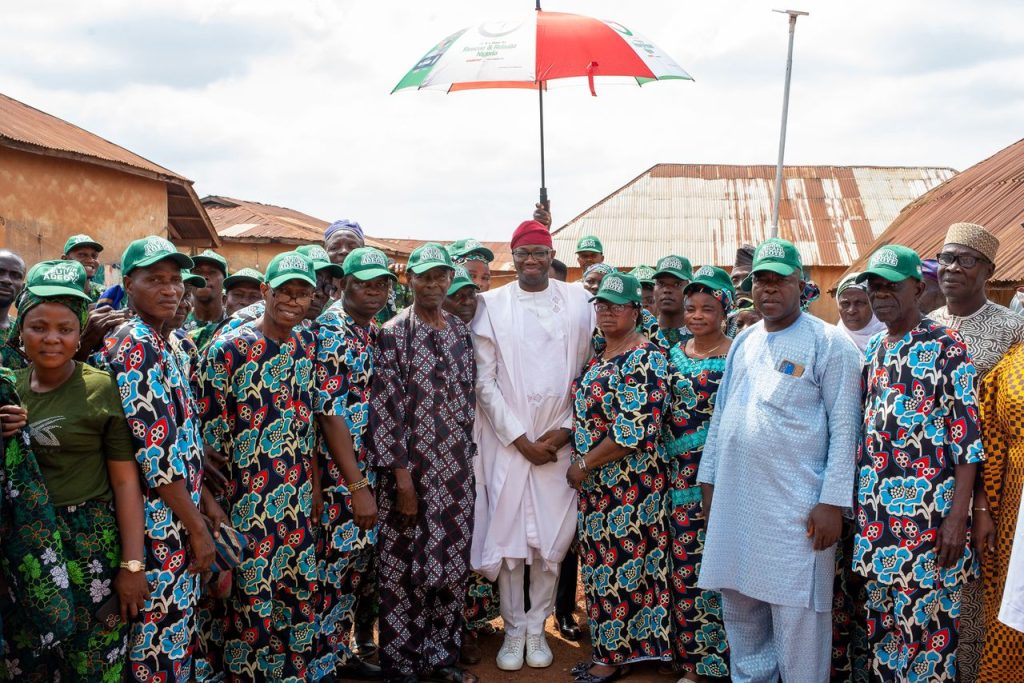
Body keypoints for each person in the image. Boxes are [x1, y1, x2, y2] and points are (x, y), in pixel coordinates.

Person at [696, 238, 861, 683]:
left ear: (801, 285)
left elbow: (846, 429)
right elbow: (722, 417)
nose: (768, 288)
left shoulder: (829, 343)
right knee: (742, 618)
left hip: (797, 514)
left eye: (779, 280)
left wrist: (832, 502)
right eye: (761, 280)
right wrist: (709, 483)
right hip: (737, 508)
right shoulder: (744, 340)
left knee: (798, 627)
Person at [0, 260, 148, 681]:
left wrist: (132, 565)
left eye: (65, 328)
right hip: (24, 548)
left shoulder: (99, 387)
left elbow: (125, 482)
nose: (51, 338)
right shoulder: (8, 388)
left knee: (92, 662)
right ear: (21, 329)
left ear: (80, 332)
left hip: (89, 545)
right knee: (26, 663)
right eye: (38, 327)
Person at [853, 244, 984, 683]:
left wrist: (957, 518)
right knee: (883, 631)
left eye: (891, 285)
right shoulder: (875, 347)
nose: (881, 294)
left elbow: (968, 442)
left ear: (917, 287)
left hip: (929, 524)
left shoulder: (947, 346)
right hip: (877, 523)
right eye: (874, 286)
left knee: (927, 638)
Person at [472, 220, 595, 671]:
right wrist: (520, 439)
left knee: (549, 541)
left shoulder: (579, 301)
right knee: (509, 541)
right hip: (508, 442)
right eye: (523, 253)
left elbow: (590, 372)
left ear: (550, 256)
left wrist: (565, 430)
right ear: (513, 257)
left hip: (558, 444)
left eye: (539, 253)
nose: (531, 260)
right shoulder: (491, 304)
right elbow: (484, 381)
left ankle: (537, 626)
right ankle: (513, 629)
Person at [92, 236, 216, 683]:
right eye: (155, 279)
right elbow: (157, 455)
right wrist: (197, 528)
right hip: (155, 525)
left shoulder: (167, 342)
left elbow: (182, 442)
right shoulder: (135, 343)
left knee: (172, 636)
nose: (170, 289)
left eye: (175, 280)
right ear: (128, 284)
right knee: (156, 645)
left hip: (175, 517)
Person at [196, 250, 324, 680]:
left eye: (302, 293)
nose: (293, 301)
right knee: (248, 611)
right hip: (244, 506)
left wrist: (315, 488)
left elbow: (309, 426)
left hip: (296, 502)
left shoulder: (306, 345)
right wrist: (213, 509)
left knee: (297, 600)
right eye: (284, 291)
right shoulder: (227, 350)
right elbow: (206, 444)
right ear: (266, 291)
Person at [366, 244, 478, 683]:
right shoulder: (393, 333)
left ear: (450, 279)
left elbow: (468, 403)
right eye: (424, 277)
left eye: (440, 276)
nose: (433, 285)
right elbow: (386, 412)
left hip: (456, 476)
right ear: (409, 279)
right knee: (403, 571)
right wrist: (402, 481)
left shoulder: (460, 331)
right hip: (410, 476)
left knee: (450, 568)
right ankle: (403, 663)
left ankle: (440, 657)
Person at [929, 222, 1024, 682]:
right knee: (933, 589)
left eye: (965, 260)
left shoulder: (1012, 329)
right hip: (926, 484)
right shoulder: (926, 326)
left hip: (994, 485)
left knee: (981, 591)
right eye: (946, 258)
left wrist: (981, 502)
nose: (951, 268)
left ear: (988, 270)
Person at [567, 271, 673, 683]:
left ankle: (611, 658)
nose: (607, 312)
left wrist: (583, 465)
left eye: (617, 306)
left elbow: (633, 431)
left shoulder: (645, 357)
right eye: (602, 305)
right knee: (602, 567)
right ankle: (620, 649)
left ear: (636, 310)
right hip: (599, 487)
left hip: (629, 485)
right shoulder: (601, 352)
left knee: (620, 567)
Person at [315, 246, 394, 681]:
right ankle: (324, 662)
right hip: (340, 479)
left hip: (367, 472)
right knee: (333, 573)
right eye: (364, 284)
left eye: (382, 284)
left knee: (354, 573)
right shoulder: (331, 330)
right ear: (343, 284)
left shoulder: (369, 329)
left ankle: (341, 654)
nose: (375, 292)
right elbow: (330, 414)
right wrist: (357, 486)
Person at [664, 266, 734, 681]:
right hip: (675, 481)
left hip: (723, 479)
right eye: (691, 308)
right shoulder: (672, 353)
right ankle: (692, 663)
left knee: (721, 570)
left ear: (724, 311)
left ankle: (726, 663)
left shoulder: (738, 355)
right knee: (684, 569)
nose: (696, 315)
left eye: (708, 308)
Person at [443, 265, 496, 664]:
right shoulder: (432, 336)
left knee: (481, 527)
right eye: (457, 295)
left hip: (483, 446)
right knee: (450, 538)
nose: (465, 302)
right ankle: (454, 627)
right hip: (443, 455)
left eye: (470, 295)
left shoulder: (483, 334)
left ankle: (474, 621)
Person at [977, 343, 1024, 678]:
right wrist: (984, 508)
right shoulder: (1015, 361)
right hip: (1014, 508)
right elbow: (992, 438)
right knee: (1012, 617)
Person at [834, 272, 886, 354]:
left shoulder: (893, 340)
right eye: (845, 304)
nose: (851, 311)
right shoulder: (833, 342)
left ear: (874, 304)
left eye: (859, 303)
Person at [654, 255, 694, 348]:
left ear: (689, 290)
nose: (667, 290)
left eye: (677, 284)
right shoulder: (641, 334)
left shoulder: (701, 337)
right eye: (661, 283)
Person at [184, 249, 227, 335]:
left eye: (212, 272)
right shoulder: (178, 323)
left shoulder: (232, 324)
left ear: (224, 281)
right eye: (198, 272)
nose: (204, 277)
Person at [0, 250, 27, 370]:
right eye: (0, 272)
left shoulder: (24, 333)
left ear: (22, 287)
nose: (7, 280)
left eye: (16, 275)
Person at [62, 234, 106, 301]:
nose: (90, 260)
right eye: (82, 255)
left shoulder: (104, 294)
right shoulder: (56, 293)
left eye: (94, 256)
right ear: (65, 260)